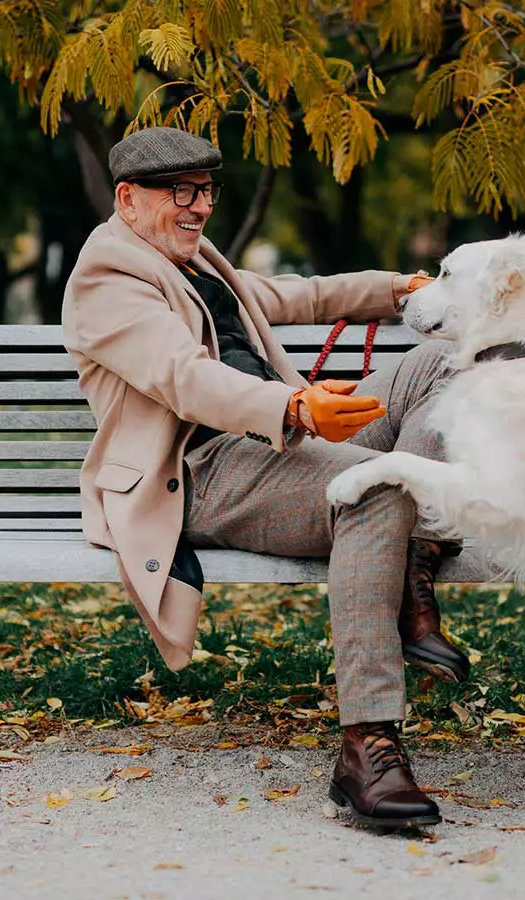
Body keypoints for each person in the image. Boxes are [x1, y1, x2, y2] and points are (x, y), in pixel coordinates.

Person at [62, 127, 465, 829]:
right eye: (180, 193)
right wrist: (293, 405)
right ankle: (366, 745)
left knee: (448, 361)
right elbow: (182, 377)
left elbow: (289, 295)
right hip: (202, 471)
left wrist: (398, 288)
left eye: (207, 191)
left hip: (274, 444)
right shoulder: (106, 281)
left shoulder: (189, 261)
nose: (199, 208)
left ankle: (416, 562)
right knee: (375, 488)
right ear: (127, 198)